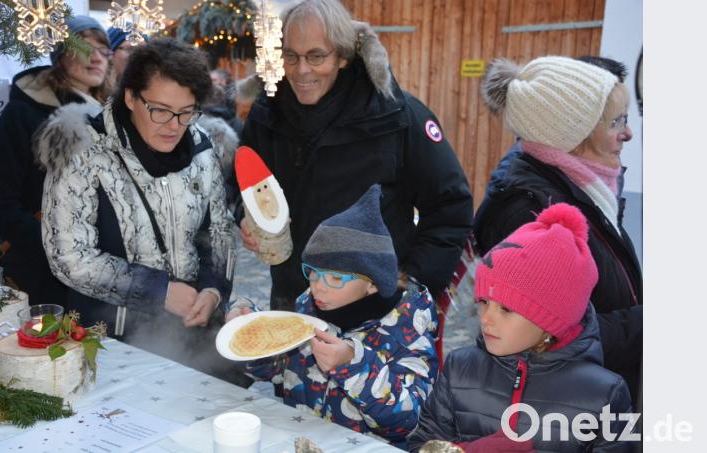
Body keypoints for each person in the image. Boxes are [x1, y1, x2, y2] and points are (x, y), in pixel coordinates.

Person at [232, 0, 472, 316]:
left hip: (374, 312)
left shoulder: (397, 116)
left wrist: (413, 279)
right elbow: (242, 182)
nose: (301, 69)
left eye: (316, 56)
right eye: (290, 56)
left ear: (343, 56)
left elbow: (450, 205)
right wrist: (245, 216)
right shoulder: (266, 114)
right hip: (293, 301)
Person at [34, 38, 247, 386]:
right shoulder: (85, 150)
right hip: (111, 339)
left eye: (186, 111)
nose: (174, 125)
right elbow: (69, 256)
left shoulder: (202, 148)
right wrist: (159, 291)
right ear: (131, 97)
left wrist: (213, 290)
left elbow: (219, 231)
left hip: (194, 335)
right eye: (160, 109)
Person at [473, 56, 642, 402]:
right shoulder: (533, 211)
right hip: (562, 411)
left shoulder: (585, 190)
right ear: (572, 134)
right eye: (616, 122)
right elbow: (551, 336)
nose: (627, 132)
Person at [408, 203, 638, 453]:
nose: (485, 318)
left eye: (506, 309)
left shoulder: (603, 395)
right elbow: (419, 445)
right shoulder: (460, 369)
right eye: (483, 302)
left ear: (551, 320)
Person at [229, 185, 439, 448]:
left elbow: (408, 421)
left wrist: (353, 365)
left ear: (373, 283)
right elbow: (279, 369)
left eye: (336, 278)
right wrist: (253, 333)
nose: (318, 286)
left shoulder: (406, 330)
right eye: (313, 272)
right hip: (303, 442)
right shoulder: (310, 305)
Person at [0, 15, 111, 306]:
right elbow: (0, 203)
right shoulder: (23, 113)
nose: (95, 58)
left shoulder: (111, 116)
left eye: (103, 50)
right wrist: (61, 244)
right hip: (40, 274)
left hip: (102, 274)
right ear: (61, 56)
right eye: (83, 48)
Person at [483, 56, 631, 202]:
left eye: (623, 119)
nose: (628, 133)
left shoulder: (589, 183)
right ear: (571, 126)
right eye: (614, 121)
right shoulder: (532, 203)